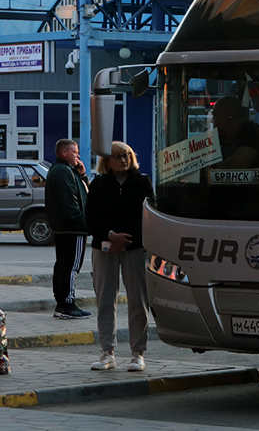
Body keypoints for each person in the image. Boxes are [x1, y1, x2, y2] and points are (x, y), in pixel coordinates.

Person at [86, 141, 154, 372]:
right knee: (105, 300)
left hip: (134, 247)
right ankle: (107, 352)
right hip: (104, 247)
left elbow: (149, 215)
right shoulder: (99, 184)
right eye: (117, 156)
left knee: (138, 300)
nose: (123, 160)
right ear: (107, 161)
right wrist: (110, 235)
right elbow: (91, 217)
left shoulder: (142, 182)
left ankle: (138, 354)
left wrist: (125, 239)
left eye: (126, 155)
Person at [46, 138, 91, 319]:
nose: (78, 156)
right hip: (73, 229)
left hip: (65, 228)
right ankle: (68, 304)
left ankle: (61, 303)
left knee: (63, 266)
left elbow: (84, 192)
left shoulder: (65, 171)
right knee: (71, 267)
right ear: (64, 152)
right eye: (75, 152)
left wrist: (81, 175)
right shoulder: (63, 172)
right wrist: (82, 223)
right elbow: (71, 203)